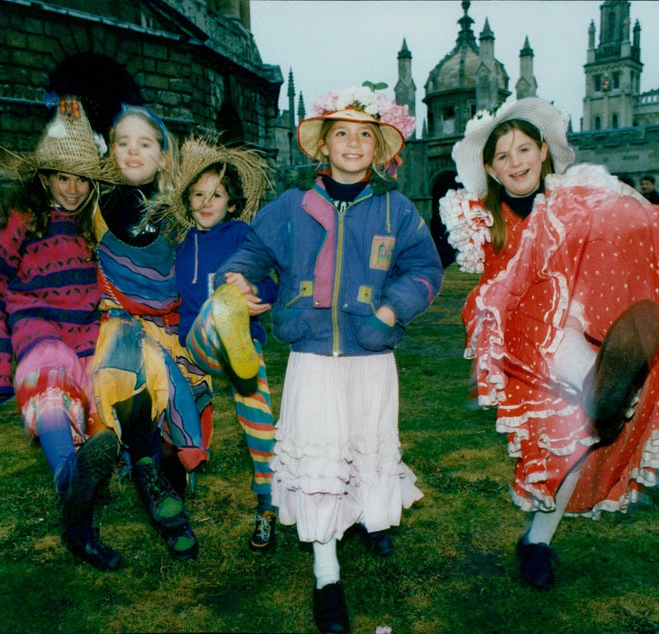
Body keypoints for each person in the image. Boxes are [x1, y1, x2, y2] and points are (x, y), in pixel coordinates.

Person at [440, 98, 659, 590]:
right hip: (520, 336)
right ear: (491, 170)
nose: (516, 162)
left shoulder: (573, 195)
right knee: (558, 351)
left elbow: (623, 222)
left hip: (575, 321)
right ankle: (602, 388)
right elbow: (475, 279)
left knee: (575, 444)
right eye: (502, 156)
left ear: (543, 151)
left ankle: (538, 539)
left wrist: (622, 203)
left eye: (524, 149)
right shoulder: (480, 218)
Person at [214, 86, 443, 632]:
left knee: (364, 443)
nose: (353, 142)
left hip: (370, 350)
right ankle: (326, 572)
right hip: (311, 351)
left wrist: (392, 311)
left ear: (381, 147)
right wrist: (240, 282)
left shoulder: (397, 208)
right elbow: (252, 255)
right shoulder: (291, 206)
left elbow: (426, 270)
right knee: (320, 456)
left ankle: (369, 516)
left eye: (366, 134)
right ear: (323, 145)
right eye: (341, 132)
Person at [0, 97, 124, 570]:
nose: (74, 188)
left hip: (88, 332)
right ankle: (70, 480)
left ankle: (79, 513)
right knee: (52, 380)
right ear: (45, 177)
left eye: (84, 178)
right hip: (39, 330)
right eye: (64, 177)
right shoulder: (24, 222)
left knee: (106, 394)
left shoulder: (93, 226)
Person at [91, 105, 211, 560]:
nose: (133, 150)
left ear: (163, 156)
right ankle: (156, 490)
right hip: (119, 321)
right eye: (123, 142)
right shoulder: (96, 204)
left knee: (177, 390)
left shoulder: (179, 209)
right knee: (132, 370)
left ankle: (164, 476)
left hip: (171, 322)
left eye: (145, 143)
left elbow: (203, 262)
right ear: (110, 151)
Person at [152, 130, 280, 552]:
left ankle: (266, 508)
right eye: (199, 195)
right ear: (188, 200)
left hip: (245, 343)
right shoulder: (180, 245)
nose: (207, 203)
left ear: (232, 202)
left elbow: (271, 282)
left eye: (217, 195)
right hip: (198, 345)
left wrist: (258, 296)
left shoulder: (245, 235)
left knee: (259, 422)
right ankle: (223, 318)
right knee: (214, 313)